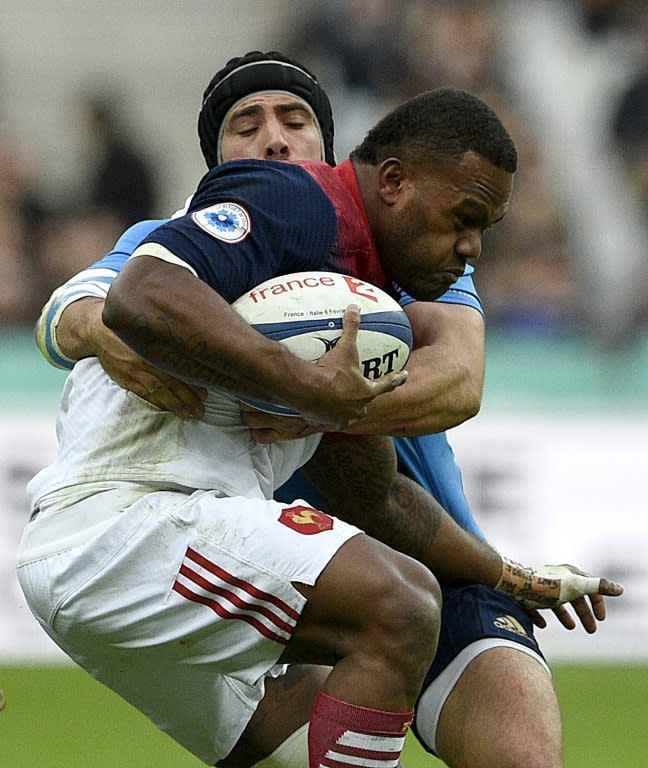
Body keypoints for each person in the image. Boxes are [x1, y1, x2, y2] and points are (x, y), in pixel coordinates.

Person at [31, 53, 620, 768]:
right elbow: (104, 302)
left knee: (330, 726)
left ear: (333, 142)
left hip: (343, 553)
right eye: (248, 125)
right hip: (148, 529)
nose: (276, 141)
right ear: (219, 172)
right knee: (398, 608)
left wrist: (506, 573)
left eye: (295, 119)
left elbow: (433, 419)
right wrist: (295, 386)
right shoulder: (272, 212)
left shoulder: (373, 266)